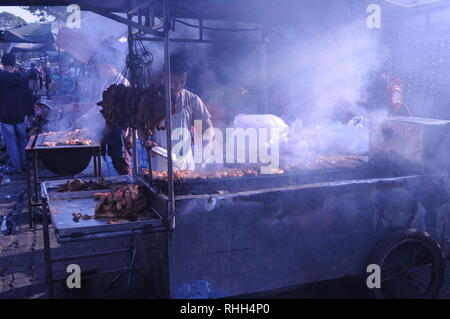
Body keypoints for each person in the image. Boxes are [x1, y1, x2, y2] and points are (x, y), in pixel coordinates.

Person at [143, 54, 214, 171]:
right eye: (174, 82)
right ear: (164, 76)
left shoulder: (192, 100)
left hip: (185, 164)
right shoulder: (152, 98)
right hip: (159, 164)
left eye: (182, 81)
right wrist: (146, 141)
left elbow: (207, 127)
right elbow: (141, 127)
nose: (178, 86)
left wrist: (208, 143)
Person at [0, 53, 34, 175]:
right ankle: (25, 163)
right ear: (14, 63)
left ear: (3, 64)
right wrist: (30, 114)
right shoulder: (23, 78)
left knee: (11, 142)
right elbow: (28, 97)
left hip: (5, 115)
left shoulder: (1, 77)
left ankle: (15, 166)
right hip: (20, 115)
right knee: (22, 140)